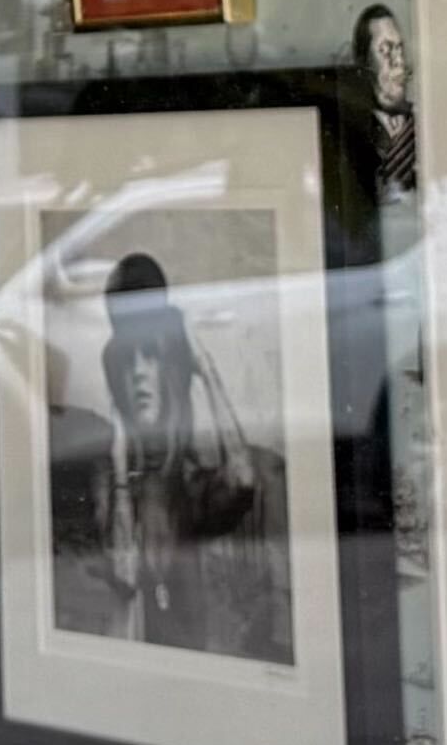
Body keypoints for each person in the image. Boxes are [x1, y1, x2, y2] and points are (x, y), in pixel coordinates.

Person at [44, 253, 292, 662]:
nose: (139, 372)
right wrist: (122, 453)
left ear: (174, 373)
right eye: (128, 362)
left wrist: (207, 372)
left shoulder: (198, 477)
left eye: (151, 357)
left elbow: (245, 481)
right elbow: (123, 570)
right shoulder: (113, 475)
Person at [351, 4, 419, 195]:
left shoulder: (425, 123)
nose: (398, 61)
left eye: (399, 48)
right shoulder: (355, 130)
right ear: (364, 62)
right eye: (385, 50)